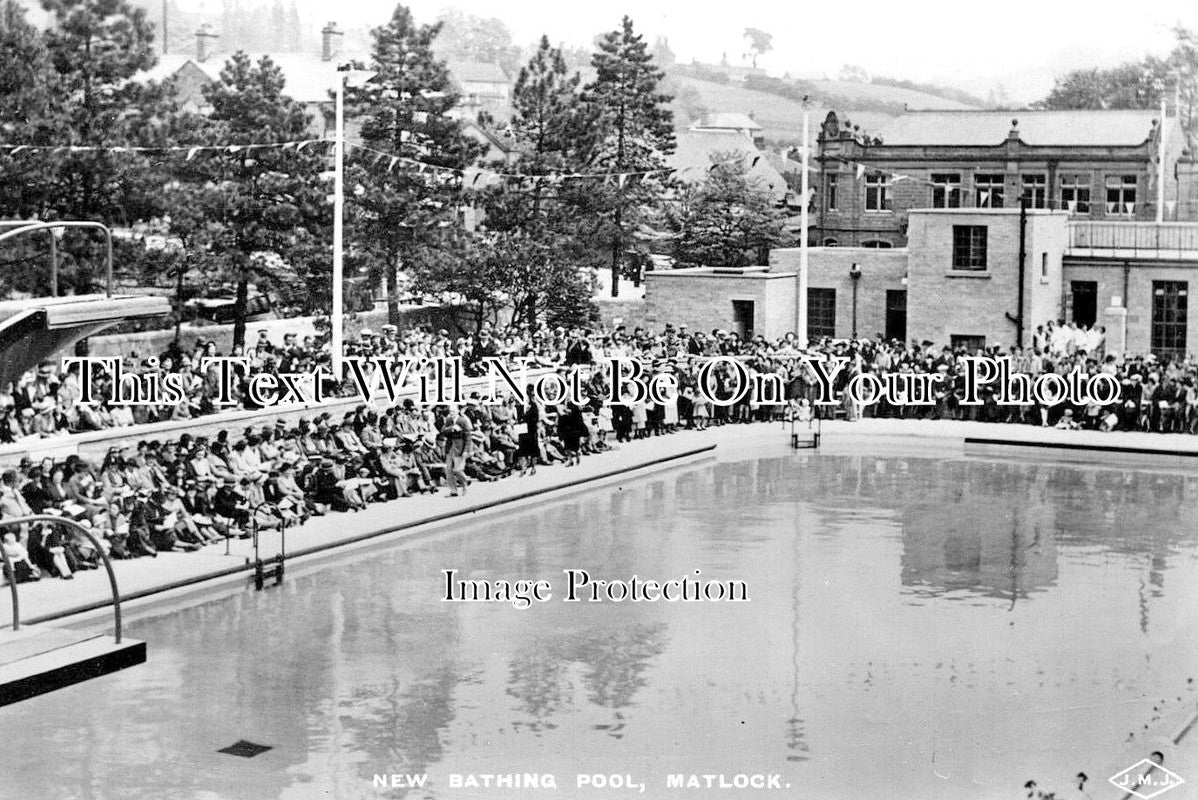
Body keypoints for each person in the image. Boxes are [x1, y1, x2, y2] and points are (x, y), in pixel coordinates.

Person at [441, 404, 473, 497]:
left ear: (457, 412)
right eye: (450, 411)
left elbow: (468, 437)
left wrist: (466, 450)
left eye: (453, 411)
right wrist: (451, 428)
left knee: (457, 470)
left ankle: (465, 481)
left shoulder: (463, 421)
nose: (451, 413)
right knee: (448, 470)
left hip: (460, 447)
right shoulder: (448, 420)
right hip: (450, 447)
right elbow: (443, 431)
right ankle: (453, 490)